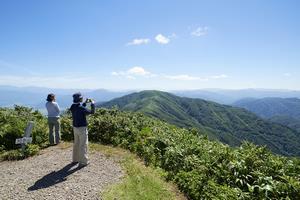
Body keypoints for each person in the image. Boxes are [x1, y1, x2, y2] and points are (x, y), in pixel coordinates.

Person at [70, 92, 95, 167]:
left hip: (75, 128)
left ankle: (75, 159)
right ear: (80, 99)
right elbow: (92, 112)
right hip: (82, 128)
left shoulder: (72, 107)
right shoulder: (81, 108)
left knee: (76, 144)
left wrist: (84, 103)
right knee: (83, 145)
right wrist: (93, 104)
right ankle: (83, 161)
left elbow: (79, 108)